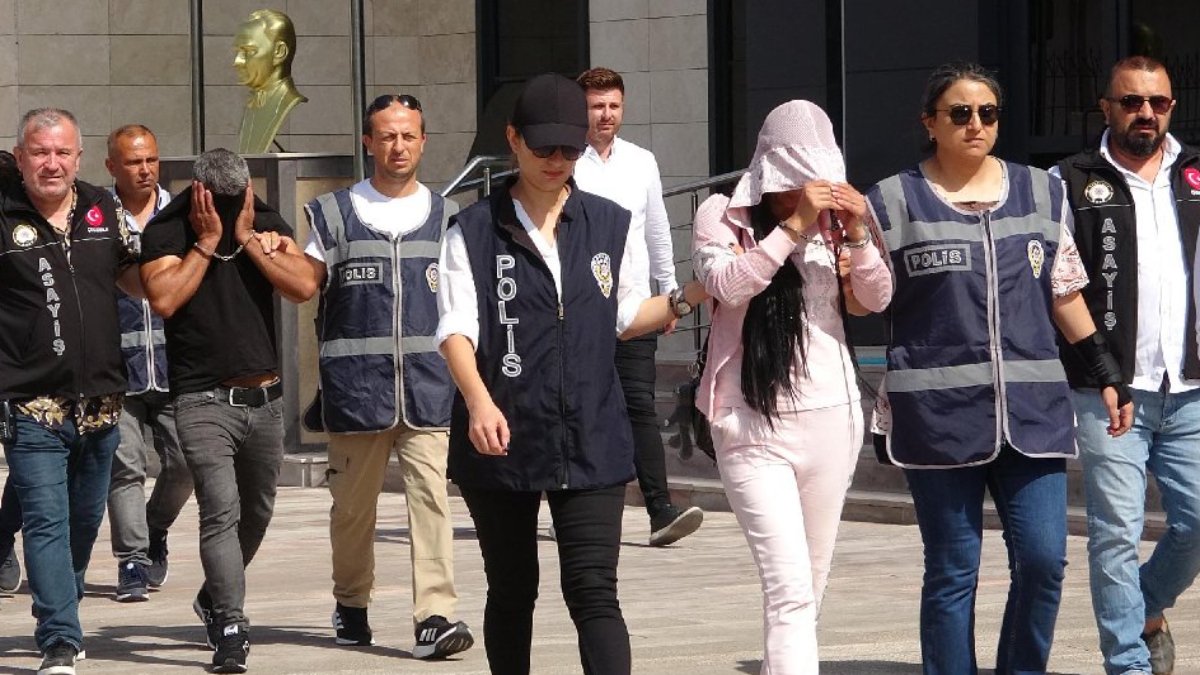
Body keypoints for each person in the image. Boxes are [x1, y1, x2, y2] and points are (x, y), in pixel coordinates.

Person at [436, 72, 707, 674]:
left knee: (594, 591)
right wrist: (478, 401)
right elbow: (455, 328)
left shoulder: (609, 222)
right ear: (513, 139)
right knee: (513, 589)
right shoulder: (474, 229)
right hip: (503, 432)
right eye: (544, 147)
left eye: (570, 148)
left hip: (591, 431)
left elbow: (628, 314)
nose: (557, 160)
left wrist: (690, 295)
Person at [866, 62, 1132, 674]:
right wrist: (853, 243)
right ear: (929, 123)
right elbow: (863, 301)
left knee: (1043, 560)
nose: (976, 124)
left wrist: (1106, 371)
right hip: (937, 420)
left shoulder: (1042, 192)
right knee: (953, 568)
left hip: (1033, 416)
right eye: (959, 113)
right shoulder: (891, 200)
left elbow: (1064, 290)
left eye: (987, 113)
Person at [692, 100, 891, 673]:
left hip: (833, 415)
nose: (809, 188)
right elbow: (729, 285)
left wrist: (858, 233)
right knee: (790, 588)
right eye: (795, 177)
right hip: (750, 420)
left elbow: (876, 298)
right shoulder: (722, 215)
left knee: (811, 583)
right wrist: (794, 226)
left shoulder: (842, 222)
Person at [300, 93, 474, 659]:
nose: (398, 146)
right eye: (387, 136)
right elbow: (302, 281)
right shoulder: (333, 215)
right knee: (353, 513)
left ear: (423, 141)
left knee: (432, 503)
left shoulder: (451, 217)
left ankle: (435, 616)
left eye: (408, 135)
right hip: (357, 395)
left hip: (429, 389)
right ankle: (351, 602)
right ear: (368, 143)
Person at [140, 149, 318, 673]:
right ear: (197, 192)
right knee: (220, 511)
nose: (228, 206)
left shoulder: (260, 218)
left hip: (264, 398)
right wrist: (207, 241)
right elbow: (164, 300)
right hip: (201, 400)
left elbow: (304, 285)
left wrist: (246, 237)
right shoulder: (168, 228)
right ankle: (232, 625)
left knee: (257, 514)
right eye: (217, 200)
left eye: (235, 198)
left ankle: (213, 596)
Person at [1055, 55, 1200, 675]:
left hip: (1190, 386)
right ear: (1106, 107)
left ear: (1171, 107)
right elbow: (1059, 284)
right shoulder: (1069, 181)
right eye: (1132, 101)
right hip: (1109, 389)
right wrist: (1099, 368)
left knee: (1197, 522)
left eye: (1158, 102)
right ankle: (1128, 664)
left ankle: (1144, 609)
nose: (1146, 113)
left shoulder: (1195, 174)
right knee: (1116, 533)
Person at [1, 108, 139, 675]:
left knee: (83, 523)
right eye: (39, 152)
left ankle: (66, 608)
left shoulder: (104, 208)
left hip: (102, 404)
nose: (51, 163)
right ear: (19, 158)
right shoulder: (3, 214)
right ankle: (58, 637)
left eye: (62, 152)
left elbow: (140, 278)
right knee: (46, 521)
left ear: (79, 158)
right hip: (32, 406)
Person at [573, 67, 704, 546]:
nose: (606, 115)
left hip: (635, 304)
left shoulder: (642, 162)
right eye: (596, 106)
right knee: (584, 408)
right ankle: (582, 506)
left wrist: (668, 295)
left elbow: (658, 232)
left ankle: (660, 510)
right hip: (581, 310)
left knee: (640, 408)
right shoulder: (566, 163)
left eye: (613, 106)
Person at [104, 124, 194, 602]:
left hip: (177, 364)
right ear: (111, 166)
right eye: (134, 162)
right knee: (126, 468)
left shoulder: (183, 214)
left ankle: (154, 528)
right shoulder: (94, 217)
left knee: (186, 462)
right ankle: (133, 561)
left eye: (151, 160)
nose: (145, 170)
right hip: (116, 367)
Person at [233, 9, 307, 153]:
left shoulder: (291, 107)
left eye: (249, 51)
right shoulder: (251, 107)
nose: (237, 61)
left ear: (279, 52)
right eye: (238, 52)